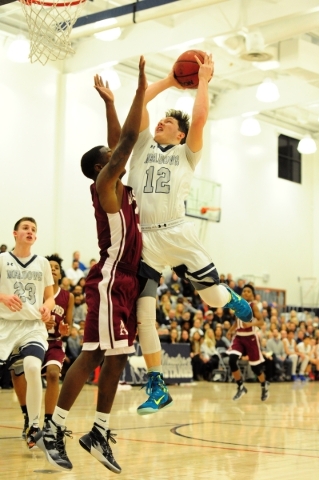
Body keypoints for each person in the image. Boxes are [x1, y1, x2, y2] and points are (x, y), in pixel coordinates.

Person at [35, 57, 147, 473]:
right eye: (112, 155)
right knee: (94, 354)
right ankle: (53, 428)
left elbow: (118, 138)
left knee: (118, 357)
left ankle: (99, 431)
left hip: (129, 283)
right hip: (110, 279)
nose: (117, 153)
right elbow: (129, 138)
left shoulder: (113, 178)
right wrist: (140, 90)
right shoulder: (105, 186)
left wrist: (110, 103)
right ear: (104, 167)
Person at [126, 52, 253, 412]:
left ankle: (232, 298)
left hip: (178, 234)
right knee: (143, 315)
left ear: (181, 135)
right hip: (146, 239)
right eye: (161, 120)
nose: (162, 121)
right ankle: (157, 385)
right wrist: (169, 79)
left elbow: (199, 118)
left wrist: (204, 81)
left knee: (212, 300)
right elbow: (141, 101)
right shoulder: (141, 146)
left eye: (169, 121)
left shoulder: (187, 154)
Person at [0, 217, 55, 448]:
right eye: (25, 228)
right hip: (5, 324)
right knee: (17, 373)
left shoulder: (42, 262)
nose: (30, 231)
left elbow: (51, 296)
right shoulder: (2, 260)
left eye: (33, 229)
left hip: (32, 326)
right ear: (15, 233)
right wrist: (2, 296)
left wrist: (47, 307)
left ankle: (34, 426)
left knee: (33, 367)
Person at [10, 254, 74, 439]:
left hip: (53, 343)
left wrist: (64, 329)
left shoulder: (67, 296)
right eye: (49, 266)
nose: (53, 269)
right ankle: (27, 415)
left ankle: (48, 421)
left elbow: (68, 329)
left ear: (60, 274)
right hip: (31, 337)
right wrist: (39, 322)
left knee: (53, 374)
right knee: (17, 372)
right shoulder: (34, 290)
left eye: (56, 267)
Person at [227, 284, 269, 401]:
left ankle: (264, 384)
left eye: (248, 291)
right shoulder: (238, 305)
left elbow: (261, 322)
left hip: (250, 338)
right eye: (244, 291)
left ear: (252, 295)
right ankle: (240, 386)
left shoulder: (253, 306)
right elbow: (237, 322)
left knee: (256, 368)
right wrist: (230, 330)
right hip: (239, 337)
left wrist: (250, 324)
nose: (245, 293)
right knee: (232, 360)